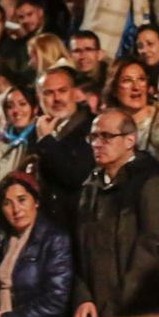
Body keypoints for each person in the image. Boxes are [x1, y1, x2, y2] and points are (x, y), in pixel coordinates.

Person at [73, 109, 159, 317]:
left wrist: (116, 308)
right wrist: (83, 298)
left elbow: (152, 251)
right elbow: (79, 249)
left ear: (130, 140)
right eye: (93, 136)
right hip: (97, 314)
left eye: (106, 136)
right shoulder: (90, 187)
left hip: (140, 315)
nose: (97, 143)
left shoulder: (152, 182)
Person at [0, 173, 72, 317]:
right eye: (7, 203)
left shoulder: (54, 239)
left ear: (36, 201)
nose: (16, 209)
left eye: (22, 200)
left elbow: (56, 302)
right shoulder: (1, 242)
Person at [34, 67, 95, 228]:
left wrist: (47, 141)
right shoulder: (38, 131)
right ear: (39, 98)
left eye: (62, 91)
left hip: (79, 224)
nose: (57, 98)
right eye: (48, 93)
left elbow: (75, 176)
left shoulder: (93, 128)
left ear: (74, 93)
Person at [0, 87, 39, 186]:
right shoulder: (1, 144)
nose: (16, 110)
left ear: (35, 109)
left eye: (22, 104)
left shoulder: (41, 137)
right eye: (10, 106)